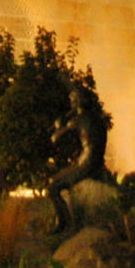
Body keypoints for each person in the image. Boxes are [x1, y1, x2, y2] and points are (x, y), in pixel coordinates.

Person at [45, 86, 108, 233]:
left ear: (78, 102)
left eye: (72, 101)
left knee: (52, 186)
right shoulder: (98, 118)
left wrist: (58, 126)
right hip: (96, 162)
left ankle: (64, 224)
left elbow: (55, 139)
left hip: (85, 164)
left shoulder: (77, 120)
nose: (71, 104)